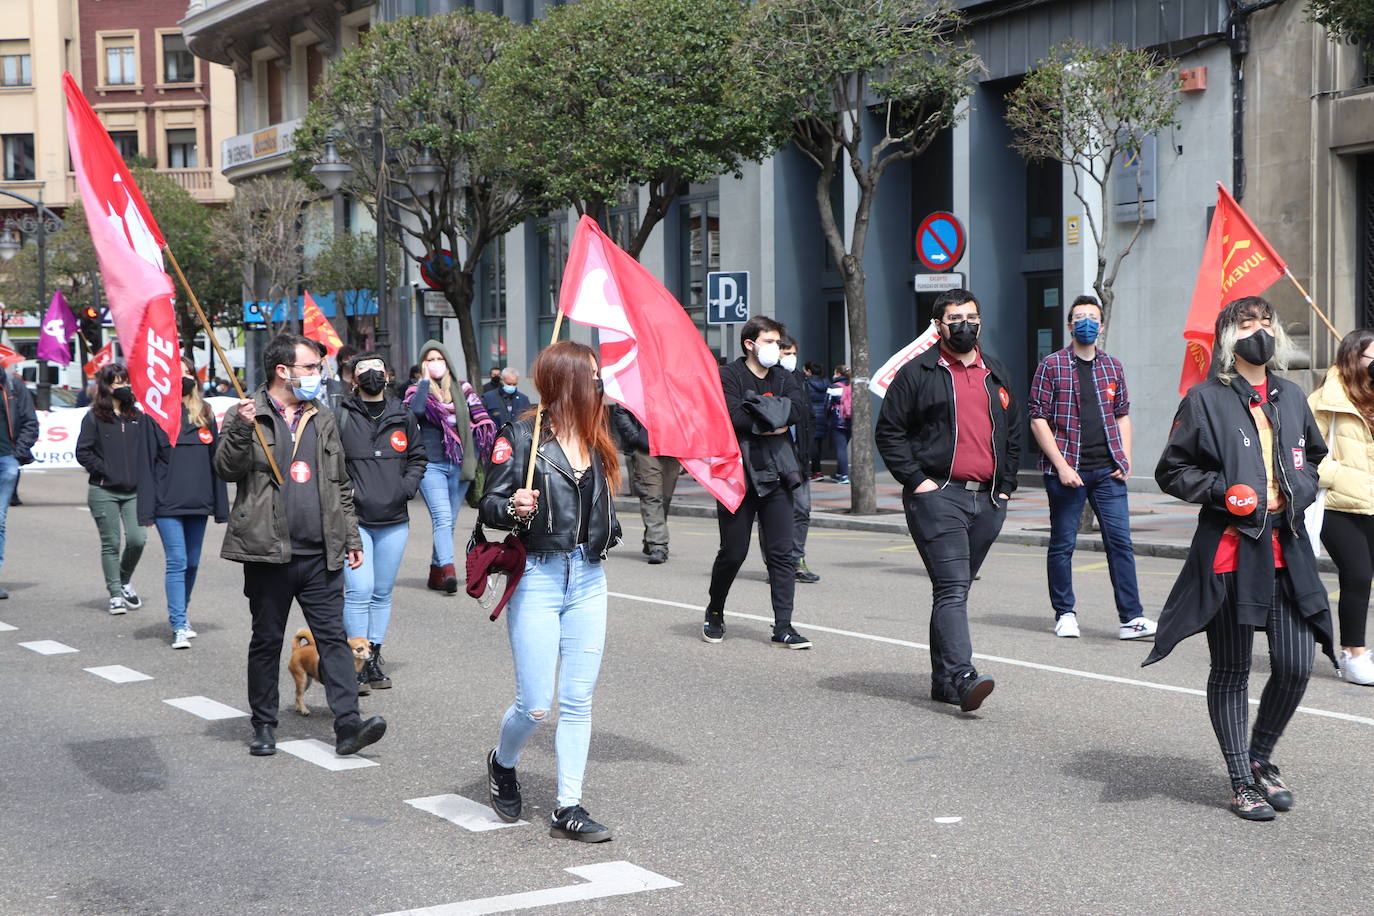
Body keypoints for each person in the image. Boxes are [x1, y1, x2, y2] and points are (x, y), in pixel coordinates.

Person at [1149, 296, 1332, 821]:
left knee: (1296, 665)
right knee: (1231, 669)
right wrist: (1221, 490)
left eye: (1266, 322)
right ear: (1227, 337)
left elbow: (1313, 456)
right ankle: (1239, 780)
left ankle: (1260, 757)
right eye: (1247, 323)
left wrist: (1301, 485)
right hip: (1232, 551)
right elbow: (1172, 470)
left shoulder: (1292, 395)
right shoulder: (1204, 399)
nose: (1259, 331)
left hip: (1287, 547)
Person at [215, 334, 386, 759]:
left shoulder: (322, 416)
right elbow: (225, 468)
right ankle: (264, 725)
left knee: (333, 639)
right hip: (268, 551)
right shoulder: (246, 413)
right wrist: (239, 426)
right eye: (310, 368)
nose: (318, 375)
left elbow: (340, 483)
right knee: (267, 639)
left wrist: (350, 535)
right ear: (283, 371)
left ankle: (348, 725)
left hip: (319, 552)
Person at [479, 340, 623, 843]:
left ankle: (568, 806)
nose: (600, 383)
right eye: (592, 375)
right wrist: (512, 505)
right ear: (567, 382)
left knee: (578, 699)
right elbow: (488, 503)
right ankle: (503, 761)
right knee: (536, 705)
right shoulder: (521, 434)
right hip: (537, 576)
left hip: (588, 577)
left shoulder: (599, 431)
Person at [875, 288, 1020, 712]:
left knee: (952, 591)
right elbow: (890, 432)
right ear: (938, 326)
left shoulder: (996, 371)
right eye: (955, 318)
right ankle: (962, 675)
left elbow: (1012, 435)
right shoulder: (917, 372)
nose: (965, 325)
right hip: (939, 497)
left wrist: (1006, 488)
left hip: (988, 501)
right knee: (953, 588)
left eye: (972, 317)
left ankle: (942, 680)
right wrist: (918, 481)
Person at [1028, 294, 1155, 640]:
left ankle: (1132, 618)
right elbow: (1037, 419)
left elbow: (1123, 414)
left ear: (1101, 325)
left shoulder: (1113, 366)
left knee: (1120, 544)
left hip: (1108, 472)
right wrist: (1062, 466)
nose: (1086, 322)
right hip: (1067, 473)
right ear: (1070, 325)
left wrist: (1124, 458)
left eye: (1092, 317)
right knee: (1063, 544)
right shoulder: (1051, 365)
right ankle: (1065, 613)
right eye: (1079, 317)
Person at [702, 315, 813, 649]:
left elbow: (797, 410)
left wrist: (759, 412)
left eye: (778, 343)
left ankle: (783, 625)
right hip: (737, 475)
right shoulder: (728, 375)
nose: (775, 349)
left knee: (782, 554)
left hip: (778, 474)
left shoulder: (785, 375)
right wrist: (771, 417)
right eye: (768, 342)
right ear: (749, 344)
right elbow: (733, 415)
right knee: (734, 552)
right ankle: (715, 610)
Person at [336, 352, 427, 691]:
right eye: (364, 370)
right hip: (355, 519)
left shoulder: (402, 414)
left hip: (393, 520)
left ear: (388, 376)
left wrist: (404, 488)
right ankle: (354, 663)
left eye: (378, 369)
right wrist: (349, 492)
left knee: (382, 592)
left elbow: (418, 457)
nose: (372, 375)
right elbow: (331, 463)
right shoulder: (340, 415)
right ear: (353, 379)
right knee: (359, 591)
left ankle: (373, 657)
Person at [137, 357, 229, 649]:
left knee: (192, 563)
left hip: (197, 501)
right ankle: (178, 624)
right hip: (167, 504)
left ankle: (183, 615)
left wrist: (220, 506)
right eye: (179, 373)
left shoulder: (205, 413)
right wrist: (146, 509)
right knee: (176, 561)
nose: (185, 378)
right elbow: (145, 465)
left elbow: (217, 461)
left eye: (189, 373)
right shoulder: (153, 415)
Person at [1307, 328, 1374, 686]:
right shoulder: (1323, 400)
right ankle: (1353, 654)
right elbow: (1303, 454)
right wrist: (1342, 476)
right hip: (1336, 503)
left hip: (1372, 502)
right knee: (1358, 575)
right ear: (1354, 357)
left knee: (1365, 578)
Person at [406, 340, 496, 593]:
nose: (435, 364)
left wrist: (478, 450)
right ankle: (448, 569)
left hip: (459, 465)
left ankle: (436, 572)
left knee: (449, 522)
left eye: (439, 359)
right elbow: (415, 412)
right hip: (430, 465)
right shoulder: (416, 390)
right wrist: (424, 382)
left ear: (448, 362)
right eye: (430, 360)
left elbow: (481, 420)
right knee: (442, 518)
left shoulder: (463, 389)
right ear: (423, 364)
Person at [76, 364, 149, 615]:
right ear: (106, 387)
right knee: (111, 543)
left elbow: (149, 450)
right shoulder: (94, 416)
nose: (122, 387)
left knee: (138, 540)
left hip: (134, 491)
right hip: (103, 490)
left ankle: (123, 579)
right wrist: (106, 469)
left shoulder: (138, 416)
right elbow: (82, 452)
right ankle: (116, 594)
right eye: (116, 383)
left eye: (125, 382)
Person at [610, 403, 680, 565]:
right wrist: (636, 438)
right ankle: (658, 545)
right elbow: (621, 411)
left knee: (665, 499)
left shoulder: (673, 380)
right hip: (645, 449)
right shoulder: (635, 379)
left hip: (671, 446)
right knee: (652, 496)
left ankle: (652, 539)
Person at [781, 337, 819, 583]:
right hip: (776, 457)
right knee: (775, 513)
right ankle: (778, 563)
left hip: (800, 458)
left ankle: (797, 559)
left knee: (802, 510)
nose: (790, 357)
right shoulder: (771, 378)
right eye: (785, 352)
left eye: (793, 352)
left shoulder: (800, 380)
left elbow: (808, 420)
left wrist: (811, 455)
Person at [0, 363, 37, 598]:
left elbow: (30, 422)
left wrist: (17, 454)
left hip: (6, 461)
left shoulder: (13, 385)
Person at [822, 366, 852, 484]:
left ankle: (843, 475)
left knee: (841, 449)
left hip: (837, 421)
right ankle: (840, 473)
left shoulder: (834, 386)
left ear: (838, 373)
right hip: (851, 421)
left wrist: (828, 417)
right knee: (843, 447)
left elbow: (827, 405)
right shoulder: (853, 386)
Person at [804, 361, 827, 478]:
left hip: (811, 415)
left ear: (809, 371)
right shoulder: (826, 382)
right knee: (818, 444)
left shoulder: (806, 383)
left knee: (812, 444)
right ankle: (817, 470)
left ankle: (816, 471)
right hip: (823, 415)